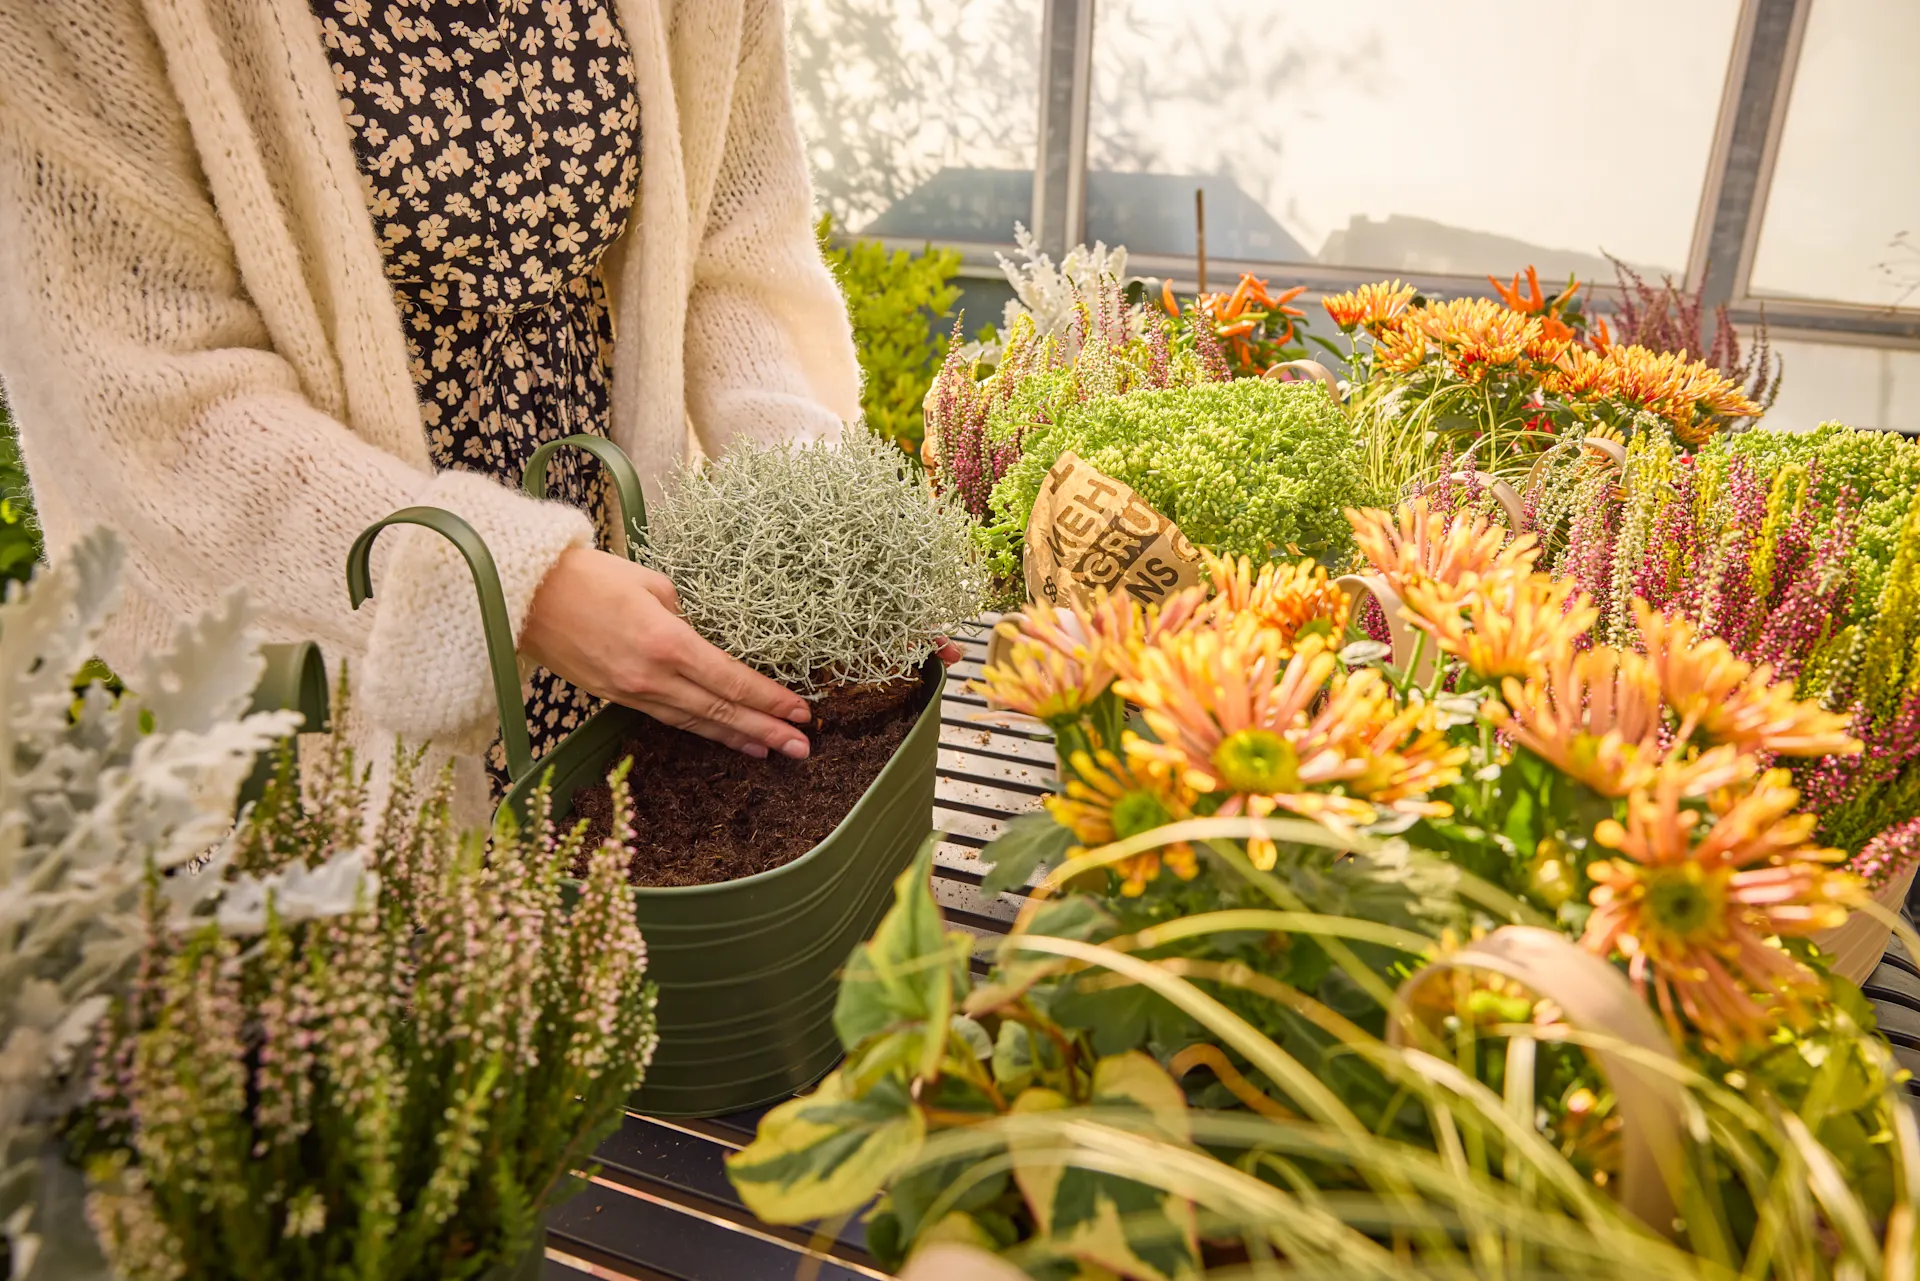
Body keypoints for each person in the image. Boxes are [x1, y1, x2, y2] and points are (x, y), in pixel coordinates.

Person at [0, 0, 871, 816]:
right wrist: (505, 585)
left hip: (630, 588)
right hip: (345, 605)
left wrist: (818, 517)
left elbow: (736, 240)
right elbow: (151, 392)